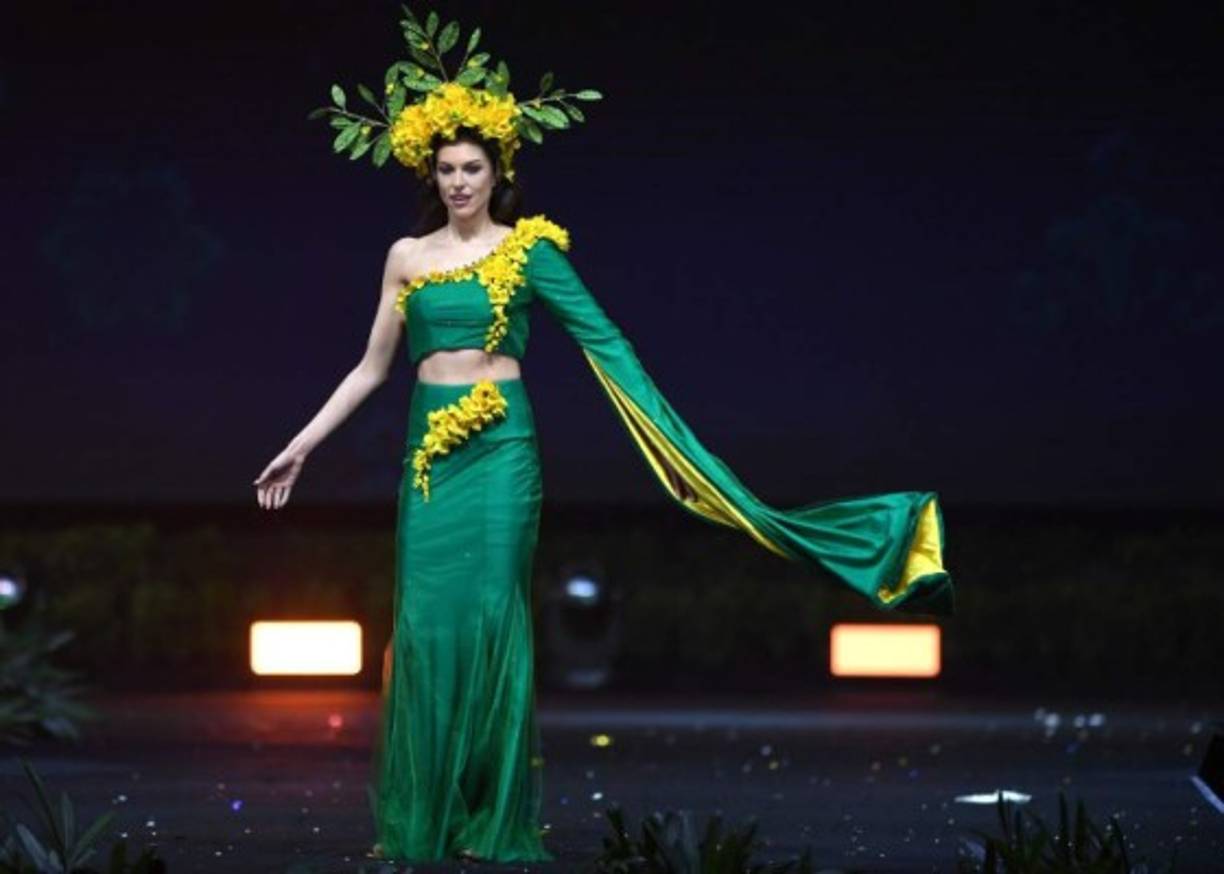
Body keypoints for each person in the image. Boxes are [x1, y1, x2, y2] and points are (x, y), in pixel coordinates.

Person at [253, 5, 953, 864]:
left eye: (474, 167)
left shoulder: (532, 250)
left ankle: (490, 818)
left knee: (491, 617)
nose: (460, 182)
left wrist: (673, 435)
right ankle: (428, 815)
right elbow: (371, 367)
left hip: (503, 453)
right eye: (447, 169)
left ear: (498, 168)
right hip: (431, 458)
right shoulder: (405, 255)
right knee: (430, 623)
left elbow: (604, 339)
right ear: (429, 173)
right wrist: (303, 443)